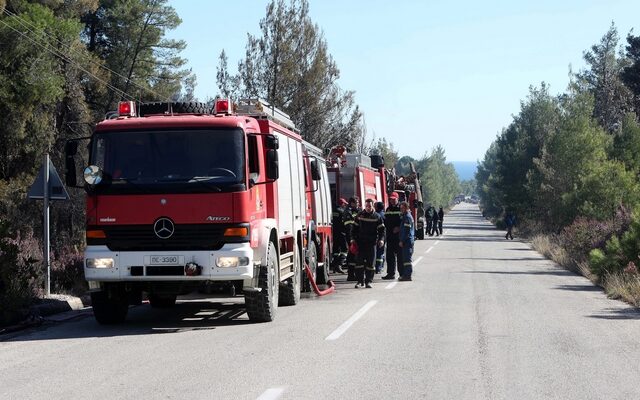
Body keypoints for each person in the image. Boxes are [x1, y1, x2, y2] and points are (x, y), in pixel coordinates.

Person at [351, 198, 386, 288]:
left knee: (371, 264)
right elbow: (354, 229)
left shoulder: (377, 217)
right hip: (360, 243)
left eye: (369, 206)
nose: (368, 208)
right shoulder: (359, 215)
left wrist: (381, 240)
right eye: (366, 206)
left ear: (372, 206)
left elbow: (382, 230)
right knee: (359, 263)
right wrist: (353, 239)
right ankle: (359, 281)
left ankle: (368, 282)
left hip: (371, 243)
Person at [382, 192, 403, 280]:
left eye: (394, 199)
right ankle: (390, 274)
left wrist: (399, 228)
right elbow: (386, 222)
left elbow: (405, 221)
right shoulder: (388, 209)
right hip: (390, 236)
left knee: (400, 257)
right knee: (390, 257)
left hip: (399, 237)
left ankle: (402, 274)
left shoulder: (401, 209)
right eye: (391, 199)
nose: (392, 201)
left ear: (397, 199)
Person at [344, 197, 361, 281]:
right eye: (356, 202)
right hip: (352, 237)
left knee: (356, 255)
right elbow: (349, 227)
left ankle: (355, 274)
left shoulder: (358, 210)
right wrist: (351, 238)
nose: (358, 204)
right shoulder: (348, 212)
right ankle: (351, 275)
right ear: (351, 203)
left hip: (357, 236)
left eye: (358, 202)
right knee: (352, 255)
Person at [331, 198, 349, 274]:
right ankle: (339, 264)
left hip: (334, 233)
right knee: (345, 249)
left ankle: (335, 266)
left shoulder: (332, 211)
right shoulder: (342, 211)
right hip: (342, 233)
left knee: (336, 250)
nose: (345, 205)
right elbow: (344, 222)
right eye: (344, 204)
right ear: (342, 204)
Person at [398, 201, 415, 281]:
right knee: (405, 259)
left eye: (403, 208)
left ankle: (408, 275)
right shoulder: (405, 216)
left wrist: (402, 240)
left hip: (407, 241)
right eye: (400, 208)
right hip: (407, 241)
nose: (401, 209)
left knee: (407, 259)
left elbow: (407, 231)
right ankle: (406, 275)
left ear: (407, 208)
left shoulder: (407, 217)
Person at [374, 201, 386, 274]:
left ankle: (377, 267)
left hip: (377, 235)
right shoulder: (384, 215)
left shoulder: (376, 215)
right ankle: (379, 268)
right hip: (383, 236)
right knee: (381, 252)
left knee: (378, 252)